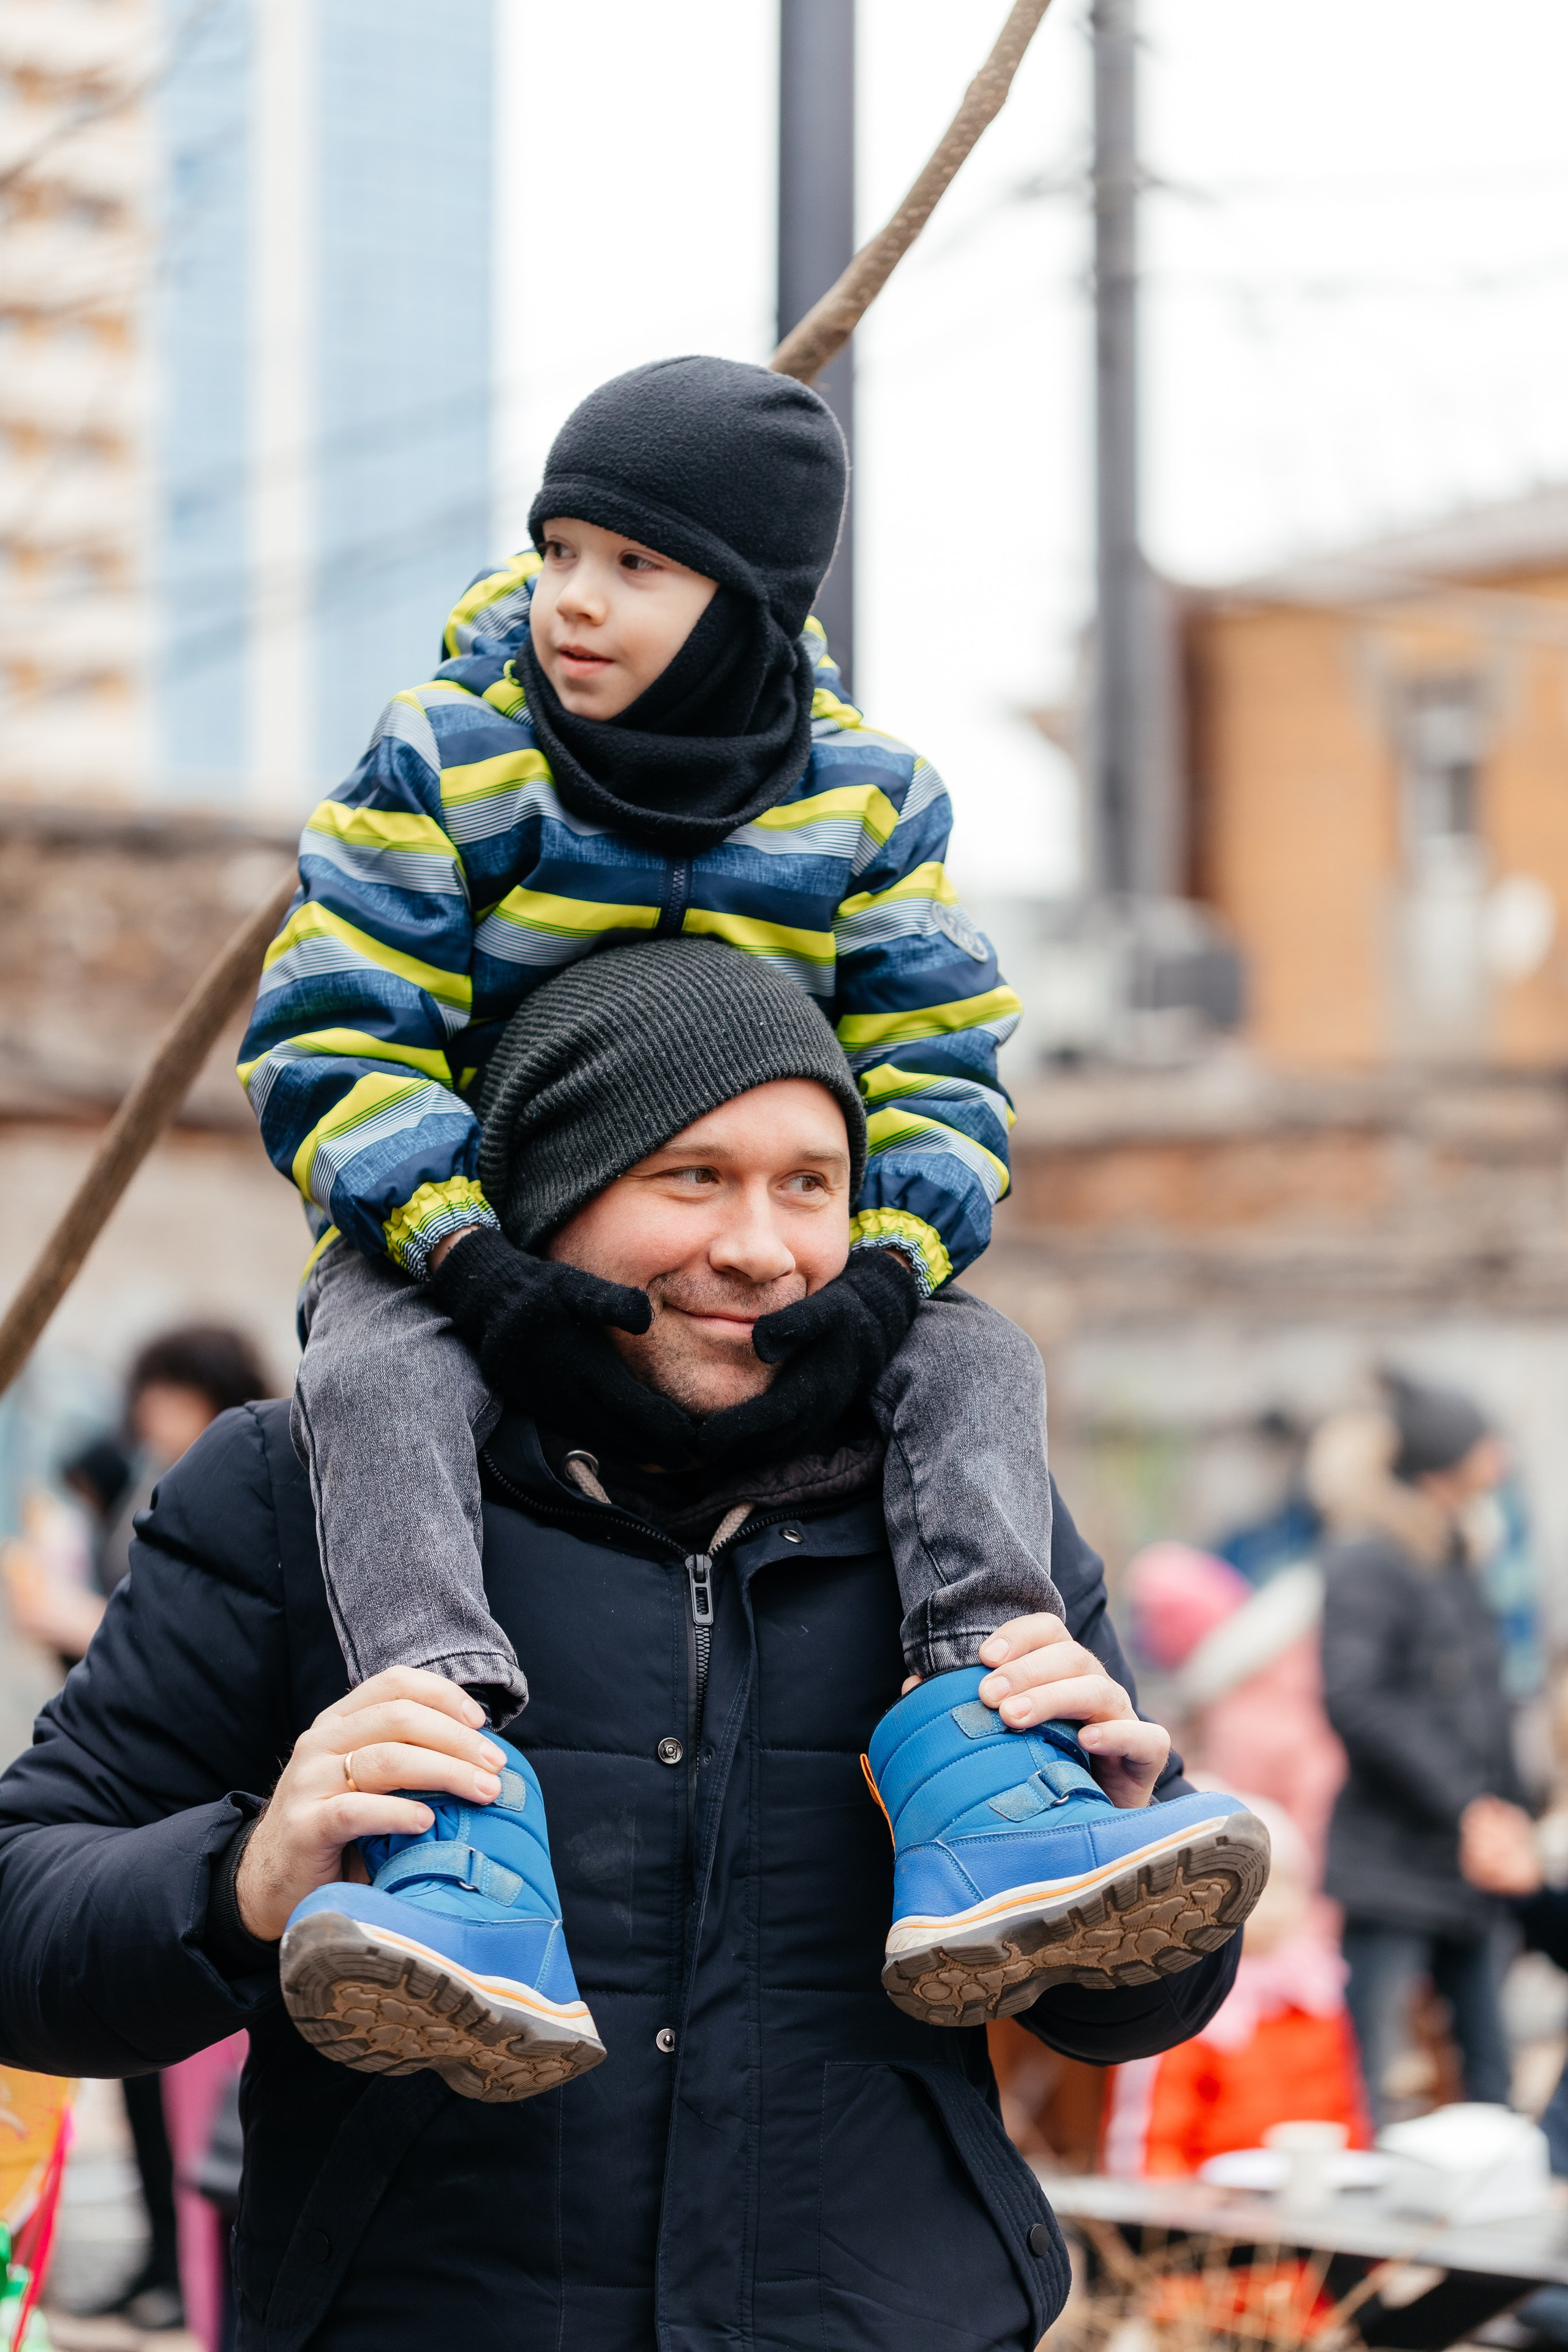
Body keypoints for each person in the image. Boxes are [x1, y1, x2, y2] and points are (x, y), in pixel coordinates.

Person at [0, 944, 1264, 2351]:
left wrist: (1126, 1829)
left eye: (807, 1182)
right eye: (690, 1176)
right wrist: (245, 1876)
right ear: (548, 1192)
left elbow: (1131, 2008)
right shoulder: (295, 1492)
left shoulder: (965, 1509)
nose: (760, 1246)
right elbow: (21, 1918)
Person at [236, 355, 1093, 2059]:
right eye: (559, 549)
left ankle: (994, 1743)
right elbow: (337, 1031)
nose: (575, 599)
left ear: (750, 599)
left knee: (979, 1364)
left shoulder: (863, 800)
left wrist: (890, 1271)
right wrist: (467, 1255)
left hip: (759, 1253)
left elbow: (943, 1059)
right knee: (376, 1370)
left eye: (637, 565)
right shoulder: (448, 757)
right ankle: (451, 1779)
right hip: (475, 1247)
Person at [5, 1322, 270, 2337]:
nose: (147, 1415)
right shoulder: (152, 1483)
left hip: (220, 1830)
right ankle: (165, 2265)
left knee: (209, 2113)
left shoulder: (248, 1485)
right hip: (137, 1836)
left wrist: (71, 1617)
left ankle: (190, 2278)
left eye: (163, 1393)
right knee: (144, 2088)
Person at [1313, 1371, 1519, 2124]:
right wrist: (1464, 1804)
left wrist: (1509, 1809)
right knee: (1365, 2069)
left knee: (1489, 2070)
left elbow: (1483, 1701)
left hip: (1470, 1865)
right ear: (1445, 1459)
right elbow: (1356, 1701)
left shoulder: (1452, 1555)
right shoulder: (1371, 1559)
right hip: (1393, 1862)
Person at [1102, 1797, 1370, 2176]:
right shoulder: (1185, 2002)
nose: (1276, 1906)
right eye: (1260, 1889)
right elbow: (1151, 2139)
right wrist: (1169, 2207)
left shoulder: (1316, 1994)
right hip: (1206, 2218)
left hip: (1306, 2207)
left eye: (1289, 1886)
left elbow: (1345, 2110)